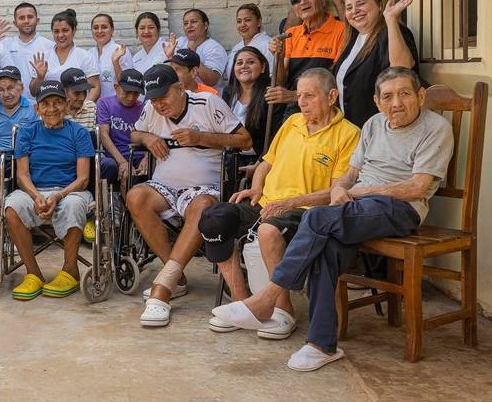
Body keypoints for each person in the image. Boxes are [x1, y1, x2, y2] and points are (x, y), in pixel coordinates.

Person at [214, 67, 454, 372]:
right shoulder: (374, 124)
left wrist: (362, 191)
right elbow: (350, 174)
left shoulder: (435, 128)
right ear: (378, 102)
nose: (396, 103)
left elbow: (418, 187)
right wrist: (341, 188)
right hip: (358, 206)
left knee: (315, 219)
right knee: (325, 249)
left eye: (405, 94)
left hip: (400, 207)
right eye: (388, 96)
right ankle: (321, 344)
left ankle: (266, 298)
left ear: (420, 95)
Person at [199, 69, 359, 338]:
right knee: (214, 217)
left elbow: (337, 189)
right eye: (299, 96)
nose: (302, 102)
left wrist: (290, 202)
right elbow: (265, 162)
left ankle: (282, 310)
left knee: (269, 230)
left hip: (307, 210)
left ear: (332, 96)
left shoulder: (348, 133)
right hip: (268, 203)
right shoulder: (293, 122)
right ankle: (242, 302)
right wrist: (256, 188)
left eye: (309, 96)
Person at [127, 64, 251, 327]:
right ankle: (177, 279)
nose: (159, 105)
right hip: (164, 187)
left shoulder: (207, 104)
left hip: (203, 187)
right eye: (154, 99)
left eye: (164, 97)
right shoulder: (151, 108)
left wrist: (201, 137)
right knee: (135, 196)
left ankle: (164, 285)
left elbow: (245, 140)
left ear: (180, 87)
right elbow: (134, 132)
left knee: (203, 205)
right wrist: (147, 138)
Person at [5, 80, 95, 300]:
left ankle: (70, 271)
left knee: (73, 205)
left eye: (57, 102)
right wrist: (36, 196)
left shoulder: (79, 133)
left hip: (70, 191)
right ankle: (33, 274)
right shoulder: (27, 133)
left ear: (65, 105)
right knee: (12, 207)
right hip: (34, 190)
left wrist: (58, 195)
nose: (52, 108)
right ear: (37, 109)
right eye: (45, 104)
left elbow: (83, 178)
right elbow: (22, 175)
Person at [334, 0, 419, 127]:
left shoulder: (392, 32)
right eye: (349, 8)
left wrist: (391, 18)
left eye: (361, 4)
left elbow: (402, 68)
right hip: (354, 128)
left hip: (383, 127)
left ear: (379, 5)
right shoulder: (353, 39)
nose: (355, 11)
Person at [266, 0, 346, 115]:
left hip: (325, 112)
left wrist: (293, 96)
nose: (302, 1)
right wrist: (278, 56)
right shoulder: (291, 34)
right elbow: (281, 81)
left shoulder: (341, 30)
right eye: (296, 0)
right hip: (295, 113)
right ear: (294, 10)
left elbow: (339, 81)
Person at [0, 66, 38, 207]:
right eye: (1, 89)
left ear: (21, 87)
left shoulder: (31, 108)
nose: (6, 94)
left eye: (10, 88)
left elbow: (37, 138)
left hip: (22, 155)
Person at [222, 46, 283, 157]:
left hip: (259, 160)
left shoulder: (271, 93)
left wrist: (261, 163)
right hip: (229, 158)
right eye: (239, 63)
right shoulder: (229, 92)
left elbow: (276, 135)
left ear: (263, 67)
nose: (244, 66)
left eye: (251, 62)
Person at [30, 9, 101, 101]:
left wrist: (84, 108)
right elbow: (34, 92)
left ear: (74, 30)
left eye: (65, 30)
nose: (60, 35)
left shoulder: (85, 56)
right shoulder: (43, 58)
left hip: (77, 111)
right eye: (56, 31)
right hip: (51, 111)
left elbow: (95, 87)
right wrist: (40, 77)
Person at [97, 69, 146, 186]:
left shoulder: (144, 107)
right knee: (126, 174)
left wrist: (146, 158)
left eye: (136, 93)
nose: (131, 97)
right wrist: (122, 162)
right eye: (127, 92)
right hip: (115, 155)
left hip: (139, 155)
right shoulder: (104, 103)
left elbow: (150, 135)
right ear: (116, 86)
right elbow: (104, 135)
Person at [0, 2, 53, 90]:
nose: (26, 21)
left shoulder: (49, 46)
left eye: (30, 17)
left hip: (39, 101)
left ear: (37, 21)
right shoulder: (5, 45)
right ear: (15, 23)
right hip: (12, 101)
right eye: (21, 18)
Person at [170, 9, 228, 89]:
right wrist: (169, 56)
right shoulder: (179, 42)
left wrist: (192, 55)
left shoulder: (214, 48)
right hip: (182, 96)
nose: (189, 26)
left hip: (206, 97)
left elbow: (212, 80)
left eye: (193, 22)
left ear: (205, 25)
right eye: (185, 23)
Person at [89, 13, 133, 99]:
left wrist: (115, 62)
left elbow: (127, 83)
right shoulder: (89, 54)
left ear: (112, 30)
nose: (99, 31)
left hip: (116, 106)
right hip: (94, 106)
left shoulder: (120, 51)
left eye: (104, 27)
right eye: (95, 28)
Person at [227, 4, 274, 77]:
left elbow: (272, 76)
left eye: (247, 20)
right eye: (239, 21)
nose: (242, 25)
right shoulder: (237, 48)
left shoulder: (268, 45)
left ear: (259, 22)